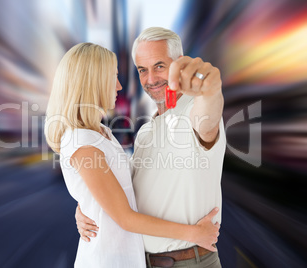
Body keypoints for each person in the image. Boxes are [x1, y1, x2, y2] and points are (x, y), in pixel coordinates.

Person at [44, 42, 220, 268]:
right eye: (113, 78)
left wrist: (86, 207)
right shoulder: (82, 142)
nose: (118, 86)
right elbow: (125, 218)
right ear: (92, 82)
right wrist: (194, 234)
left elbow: (111, 192)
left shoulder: (100, 132)